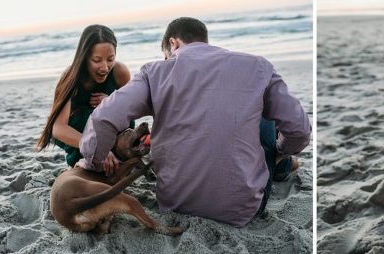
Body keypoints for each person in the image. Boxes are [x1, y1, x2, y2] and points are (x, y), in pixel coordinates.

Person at [78, 17, 311, 226]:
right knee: (261, 114)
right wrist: (280, 151)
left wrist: (95, 162)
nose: (167, 61)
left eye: (166, 56)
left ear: (173, 44)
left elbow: (103, 119)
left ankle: (281, 162)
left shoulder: (153, 73)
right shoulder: (258, 67)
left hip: (174, 204)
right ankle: (282, 164)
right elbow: (299, 129)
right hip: (244, 211)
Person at [36, 24, 132, 175]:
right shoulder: (70, 77)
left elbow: (132, 110)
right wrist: (94, 146)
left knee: (118, 112)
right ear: (85, 57)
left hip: (111, 129)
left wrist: (112, 102)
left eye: (110, 59)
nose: (105, 67)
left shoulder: (120, 72)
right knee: (87, 117)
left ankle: (115, 158)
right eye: (97, 60)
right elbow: (58, 128)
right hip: (79, 133)